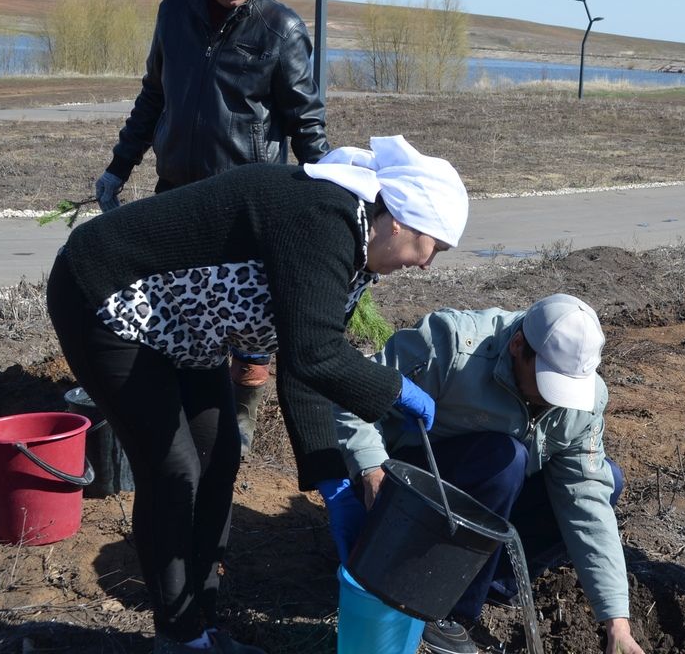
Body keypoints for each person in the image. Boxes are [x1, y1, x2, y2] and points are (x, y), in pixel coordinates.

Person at [48, 136, 466, 654]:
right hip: (107, 297)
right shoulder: (323, 218)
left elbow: (305, 362)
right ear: (400, 219)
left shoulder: (356, 250)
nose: (428, 265)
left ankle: (202, 625)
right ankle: (177, 639)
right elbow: (317, 355)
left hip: (183, 325)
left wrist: (332, 480)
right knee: (173, 468)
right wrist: (397, 389)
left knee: (219, 455)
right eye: (433, 247)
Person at [93, 0, 330, 452]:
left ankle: (241, 412)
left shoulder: (281, 29)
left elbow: (305, 121)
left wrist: (329, 191)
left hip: (246, 201)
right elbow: (154, 97)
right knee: (174, 300)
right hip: (176, 192)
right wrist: (117, 167)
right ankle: (181, 396)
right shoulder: (173, 14)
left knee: (249, 314)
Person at [323, 294, 647, 654]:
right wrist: (370, 470)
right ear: (517, 345)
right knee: (505, 459)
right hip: (417, 490)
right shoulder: (451, 345)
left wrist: (616, 620)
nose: (554, 400)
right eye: (547, 381)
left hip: (493, 494)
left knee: (606, 480)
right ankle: (444, 611)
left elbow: (584, 500)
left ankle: (488, 582)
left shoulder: (584, 403)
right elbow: (353, 396)